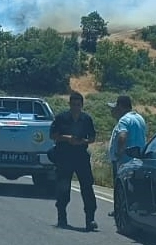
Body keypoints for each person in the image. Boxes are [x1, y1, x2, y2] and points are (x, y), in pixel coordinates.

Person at [50, 91, 98, 231]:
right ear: (69, 104)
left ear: (82, 105)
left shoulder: (86, 119)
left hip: (81, 157)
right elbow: (53, 135)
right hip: (64, 157)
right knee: (63, 187)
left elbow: (92, 138)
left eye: (78, 104)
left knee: (87, 187)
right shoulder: (61, 118)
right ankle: (62, 217)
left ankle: (90, 219)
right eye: (73, 104)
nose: (76, 107)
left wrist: (83, 141)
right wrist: (67, 138)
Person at [106, 94, 147, 217]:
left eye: (115, 107)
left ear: (120, 106)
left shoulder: (124, 120)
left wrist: (119, 152)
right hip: (138, 158)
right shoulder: (139, 118)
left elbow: (122, 136)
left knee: (121, 185)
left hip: (124, 160)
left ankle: (120, 208)